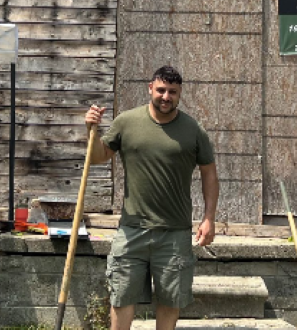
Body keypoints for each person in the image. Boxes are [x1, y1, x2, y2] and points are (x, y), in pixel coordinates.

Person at [84, 65, 218, 330]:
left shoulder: (193, 130)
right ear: (150, 88)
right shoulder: (127, 122)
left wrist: (209, 218)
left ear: (180, 94)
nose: (166, 96)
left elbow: (209, 174)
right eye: (161, 90)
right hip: (132, 230)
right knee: (121, 297)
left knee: (170, 300)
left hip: (174, 232)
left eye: (172, 92)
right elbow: (98, 157)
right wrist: (92, 130)